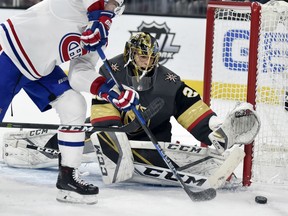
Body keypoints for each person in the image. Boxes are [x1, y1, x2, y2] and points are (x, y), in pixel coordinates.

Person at [0, 0, 139, 204]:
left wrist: (111, 91)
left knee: (73, 104)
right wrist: (100, 17)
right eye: (108, 1)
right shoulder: (73, 4)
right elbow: (94, 4)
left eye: (114, 5)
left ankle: (68, 179)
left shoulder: (98, 34)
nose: (109, 6)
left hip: (38, 70)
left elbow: (79, 73)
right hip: (9, 52)